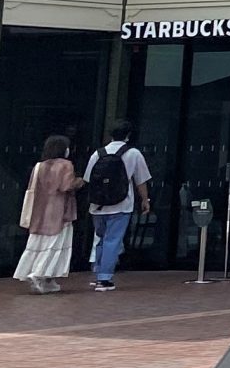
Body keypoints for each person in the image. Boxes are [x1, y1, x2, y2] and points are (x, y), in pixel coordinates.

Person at [81, 121, 151, 292]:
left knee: (101, 238)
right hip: (121, 204)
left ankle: (98, 272)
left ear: (110, 135)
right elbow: (140, 180)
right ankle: (105, 278)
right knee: (113, 240)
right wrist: (145, 199)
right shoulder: (133, 153)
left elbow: (88, 179)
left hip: (98, 205)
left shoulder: (98, 154)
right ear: (128, 135)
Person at [14, 135, 81, 294]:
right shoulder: (66, 165)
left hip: (40, 210)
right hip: (60, 212)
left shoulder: (40, 166)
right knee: (56, 245)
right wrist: (80, 181)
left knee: (37, 243)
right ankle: (40, 274)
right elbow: (66, 186)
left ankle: (44, 278)